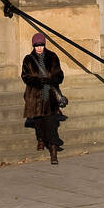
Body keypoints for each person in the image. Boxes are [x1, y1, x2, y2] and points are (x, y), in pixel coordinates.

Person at [21, 32, 64, 165]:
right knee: (39, 121)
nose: (39, 48)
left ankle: (53, 150)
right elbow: (25, 76)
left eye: (41, 45)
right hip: (34, 95)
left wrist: (51, 80)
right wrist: (39, 81)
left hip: (49, 94)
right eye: (36, 46)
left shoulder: (52, 56)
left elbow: (60, 75)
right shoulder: (28, 59)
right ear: (33, 46)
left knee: (50, 122)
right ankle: (40, 139)